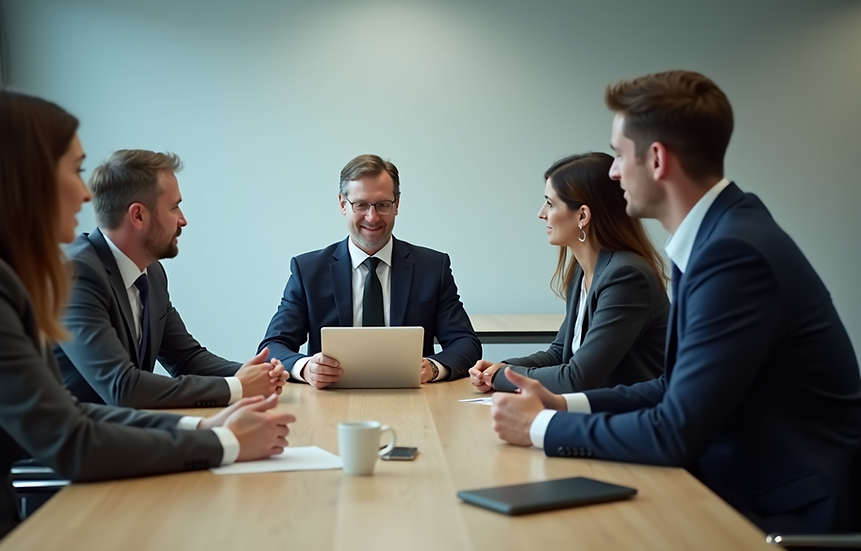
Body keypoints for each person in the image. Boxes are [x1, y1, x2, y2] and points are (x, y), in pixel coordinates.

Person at [0, 89, 294, 551]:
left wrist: (205, 428)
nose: (84, 193)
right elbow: (71, 439)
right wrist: (225, 445)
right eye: (75, 170)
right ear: (25, 177)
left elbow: (66, 411)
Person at [490, 70, 861, 534]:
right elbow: (672, 387)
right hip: (735, 486)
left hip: (777, 510)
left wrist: (540, 428)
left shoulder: (733, 254)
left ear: (658, 159)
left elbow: (675, 430)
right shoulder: (717, 236)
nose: (612, 171)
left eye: (620, 154)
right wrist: (564, 407)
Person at [54, 150, 288, 408]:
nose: (183, 220)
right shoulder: (75, 275)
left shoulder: (151, 272)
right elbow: (122, 387)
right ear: (138, 216)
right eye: (174, 207)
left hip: (128, 433)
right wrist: (237, 386)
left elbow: (186, 358)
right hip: (74, 442)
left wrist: (255, 373)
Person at [259, 154, 482, 388]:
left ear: (396, 205)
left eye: (383, 205)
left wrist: (434, 368)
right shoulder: (308, 271)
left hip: (414, 398)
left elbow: (466, 343)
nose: (372, 217)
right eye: (361, 204)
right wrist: (306, 368)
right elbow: (273, 346)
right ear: (343, 204)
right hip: (330, 399)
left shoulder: (432, 268)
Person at [468, 152, 667, 394]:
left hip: (632, 421)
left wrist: (502, 377)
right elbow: (559, 353)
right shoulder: (582, 273)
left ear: (582, 215)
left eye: (550, 204)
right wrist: (504, 367)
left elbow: (577, 378)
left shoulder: (626, 277)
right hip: (596, 414)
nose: (541, 214)